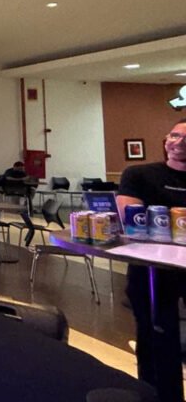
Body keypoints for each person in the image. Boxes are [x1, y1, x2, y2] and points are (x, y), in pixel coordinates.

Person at [116, 118, 186, 398]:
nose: (179, 143)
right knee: (156, 343)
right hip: (152, 273)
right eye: (174, 136)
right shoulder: (139, 175)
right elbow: (131, 219)